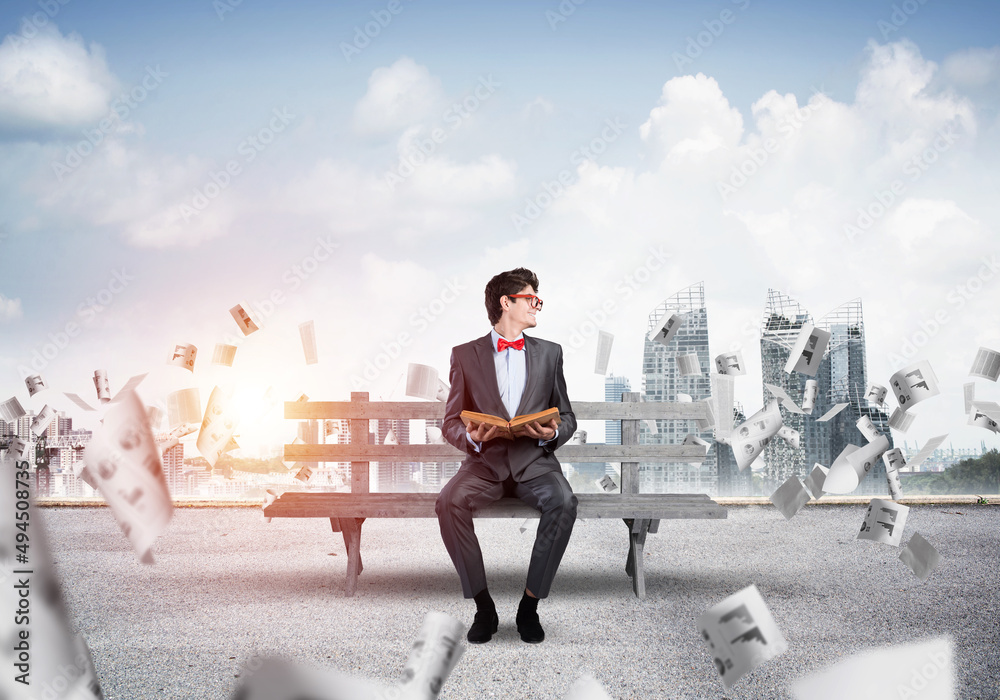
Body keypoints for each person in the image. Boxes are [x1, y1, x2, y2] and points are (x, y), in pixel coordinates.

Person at [435, 267, 577, 644]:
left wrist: (553, 432)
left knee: (563, 501)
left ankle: (529, 608)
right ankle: (484, 607)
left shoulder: (551, 353)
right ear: (506, 302)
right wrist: (471, 438)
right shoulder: (464, 355)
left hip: (535, 462)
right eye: (532, 299)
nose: (537, 306)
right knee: (448, 501)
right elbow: (450, 421)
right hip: (484, 463)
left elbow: (567, 416)